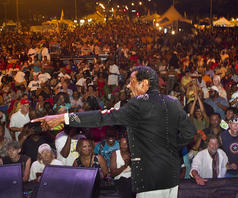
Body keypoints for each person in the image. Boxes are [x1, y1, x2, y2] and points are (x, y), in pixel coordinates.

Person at [32, 66, 196, 198]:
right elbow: (190, 132)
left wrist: (65, 118)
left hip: (151, 177)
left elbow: (103, 118)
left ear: (144, 84)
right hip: (171, 176)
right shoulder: (173, 102)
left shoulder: (139, 103)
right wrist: (169, 148)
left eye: (132, 81)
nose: (127, 86)